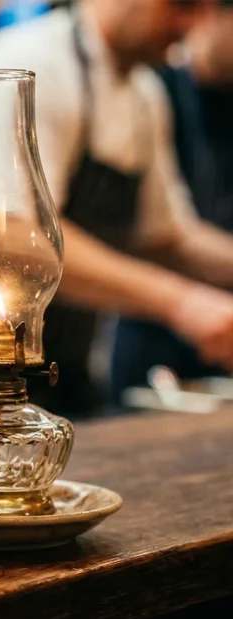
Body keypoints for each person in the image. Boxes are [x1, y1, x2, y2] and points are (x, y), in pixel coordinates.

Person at [0, 0, 233, 433]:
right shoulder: (28, 61)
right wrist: (182, 303)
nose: (192, 24)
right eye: (182, 5)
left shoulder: (144, 95)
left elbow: (167, 236)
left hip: (64, 365)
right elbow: (7, 237)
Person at [110, 2, 233, 398]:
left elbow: (170, 232)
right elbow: (160, 237)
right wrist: (183, 303)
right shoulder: (153, 88)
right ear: (213, 15)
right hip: (150, 337)